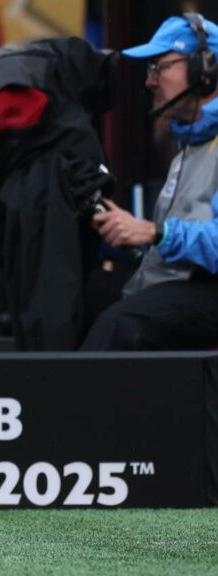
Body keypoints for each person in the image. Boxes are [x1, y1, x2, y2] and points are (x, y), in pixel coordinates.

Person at [81, 13, 218, 351]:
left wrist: (156, 232)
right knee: (73, 291)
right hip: (185, 284)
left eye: (160, 68)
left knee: (121, 324)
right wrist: (120, 232)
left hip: (208, 290)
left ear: (205, 69)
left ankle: (72, 404)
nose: (150, 82)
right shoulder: (191, 146)